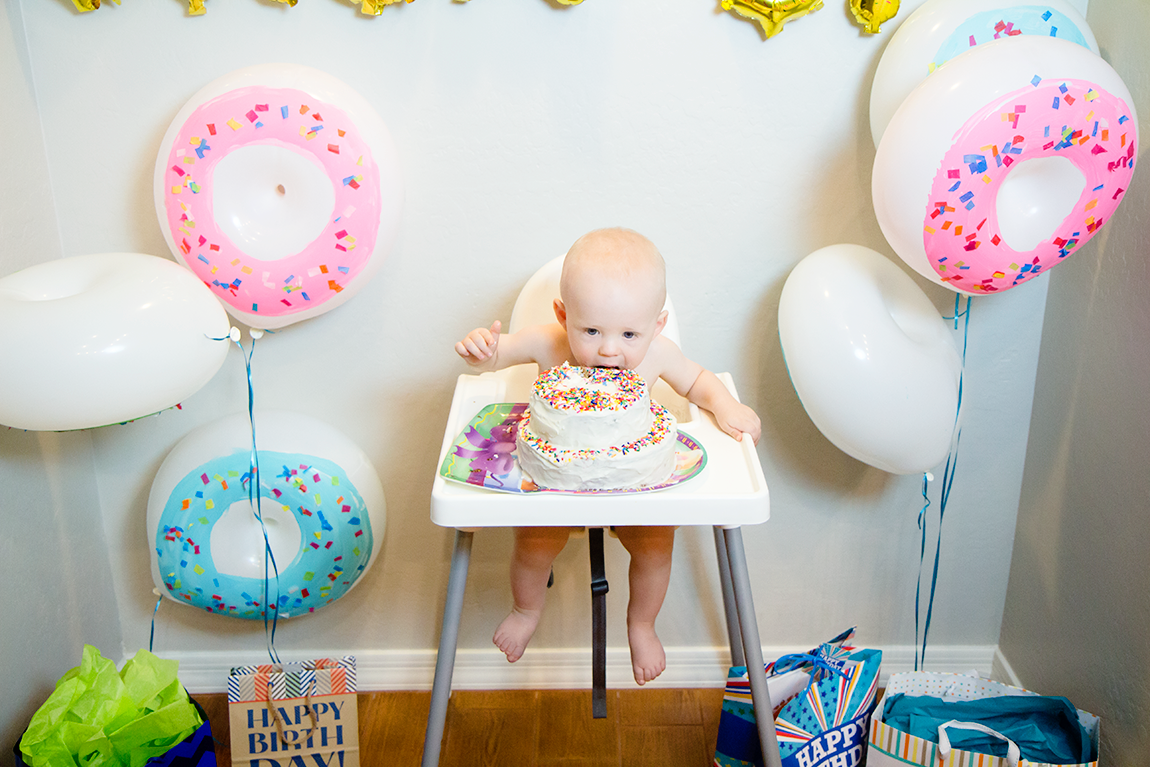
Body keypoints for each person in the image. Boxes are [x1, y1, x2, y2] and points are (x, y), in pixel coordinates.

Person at [455, 227, 761, 685]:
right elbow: (500, 355)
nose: (608, 349)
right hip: (553, 480)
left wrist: (727, 406)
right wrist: (484, 349)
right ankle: (525, 609)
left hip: (637, 480)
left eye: (629, 333)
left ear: (655, 327)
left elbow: (697, 382)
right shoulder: (550, 344)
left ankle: (641, 625)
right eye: (591, 330)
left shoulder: (657, 354)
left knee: (656, 544)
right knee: (534, 542)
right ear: (563, 315)